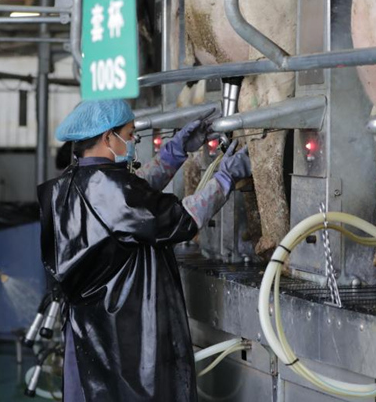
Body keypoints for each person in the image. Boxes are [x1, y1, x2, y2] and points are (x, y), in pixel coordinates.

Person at [37, 99, 251, 401]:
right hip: (127, 335)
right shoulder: (115, 190)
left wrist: (175, 152)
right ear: (108, 137)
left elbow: (135, 194)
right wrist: (225, 177)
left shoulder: (64, 187)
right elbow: (182, 220)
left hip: (88, 330)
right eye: (129, 132)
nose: (134, 139)